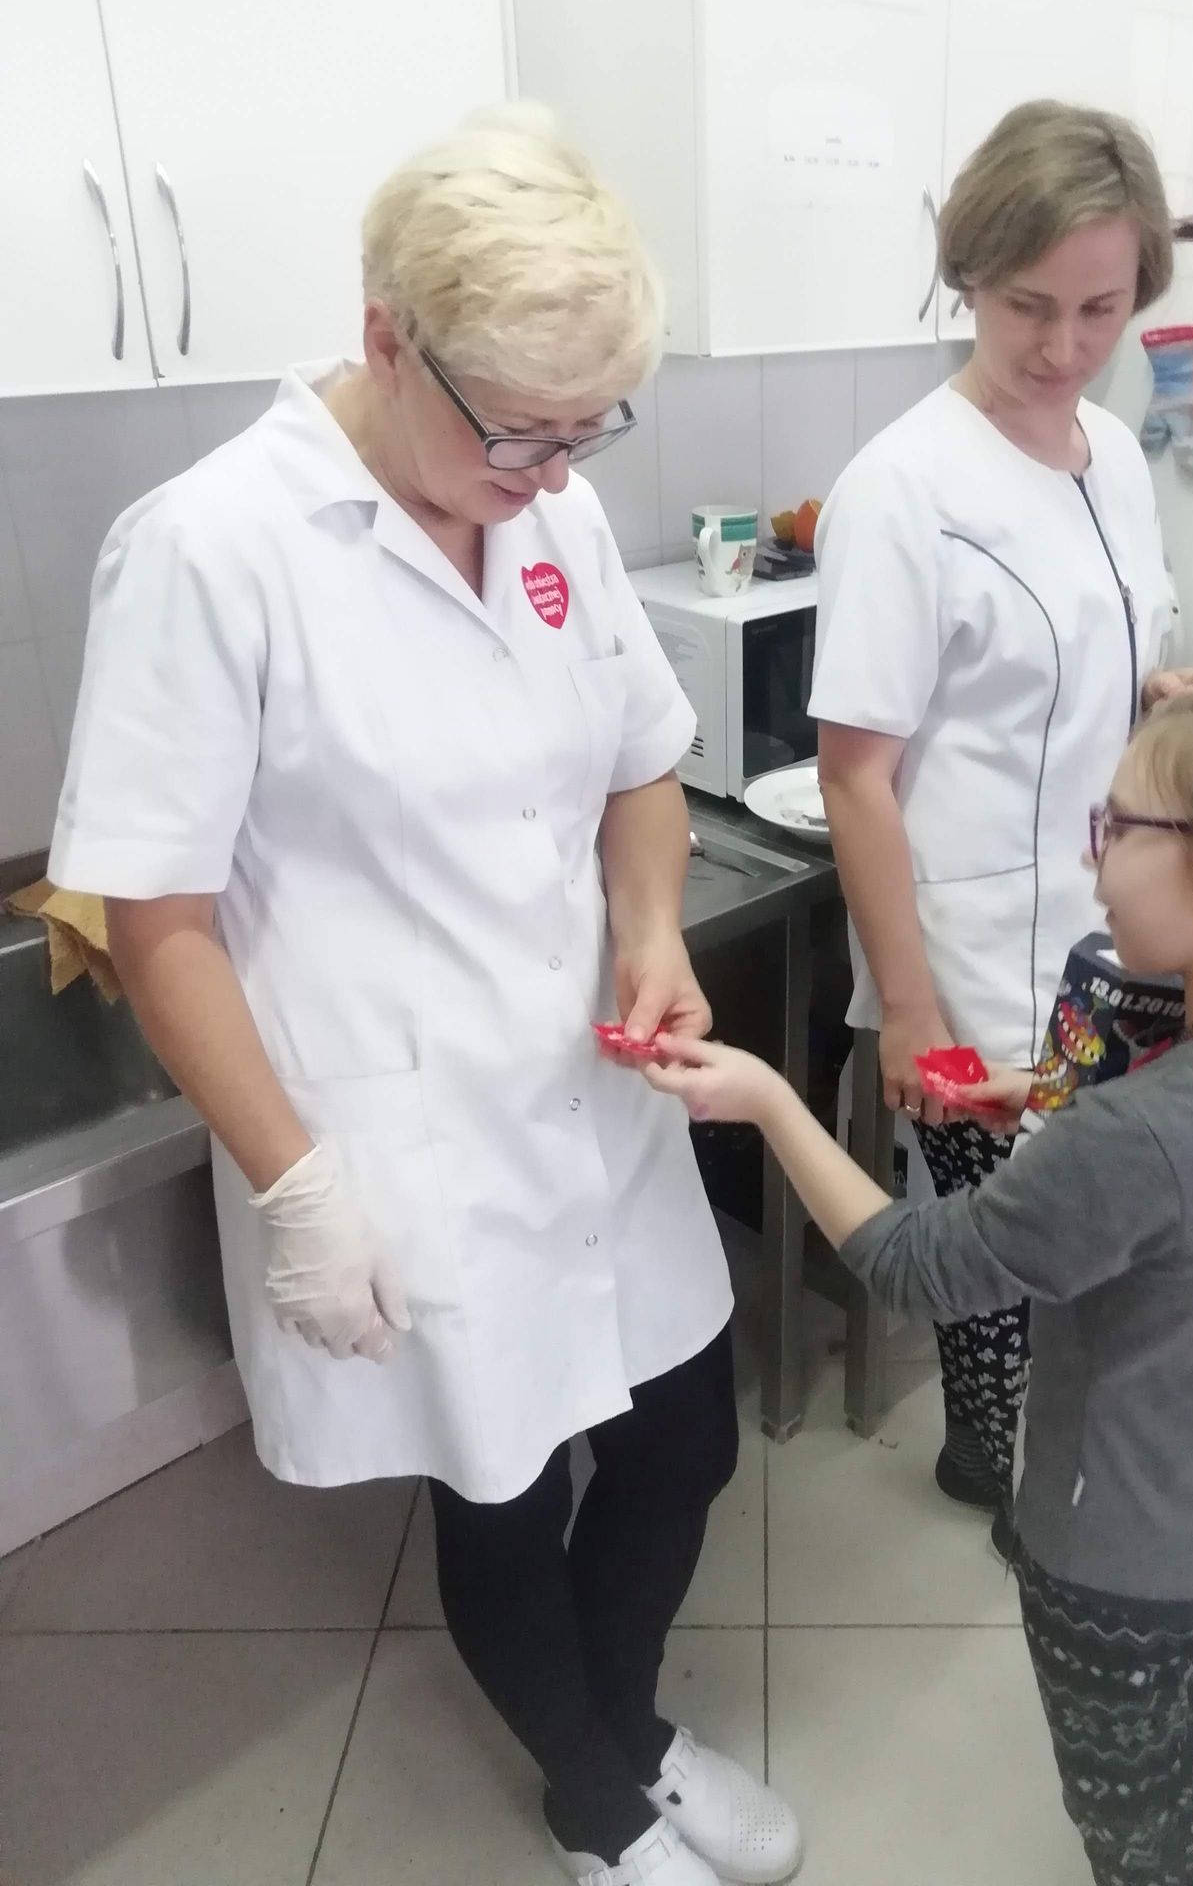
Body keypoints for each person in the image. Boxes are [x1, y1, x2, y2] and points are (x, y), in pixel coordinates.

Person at [49, 106, 801, 1886]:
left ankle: (628, 1729)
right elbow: (154, 918)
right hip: (400, 1143)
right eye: (520, 429)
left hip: (592, 1093)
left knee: (685, 1442)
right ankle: (597, 1800)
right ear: (385, 334)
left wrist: (652, 928)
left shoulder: (551, 511)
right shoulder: (211, 547)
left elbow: (639, 761)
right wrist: (300, 1190)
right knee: (502, 1480)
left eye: (588, 429)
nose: (554, 470)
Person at [626, 688, 1193, 1886]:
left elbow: (916, 1264)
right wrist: (1044, 1094)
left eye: (1118, 827)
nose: (1091, 858)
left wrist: (766, 1097)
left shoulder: (1137, 1138)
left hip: (1116, 1558)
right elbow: (1188, 1180)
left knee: (1136, 1825)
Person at [808, 99, 1193, 1544]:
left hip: (1115, 943)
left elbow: (1083, 652)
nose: (1064, 344)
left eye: (1102, 307)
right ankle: (996, 1473)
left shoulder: (1114, 449)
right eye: (1029, 304)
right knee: (996, 1264)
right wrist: (911, 1013)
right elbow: (855, 774)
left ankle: (1047, 1456)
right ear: (969, 273)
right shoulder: (902, 490)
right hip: (972, 969)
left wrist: (1153, 688)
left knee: (1092, 1241)